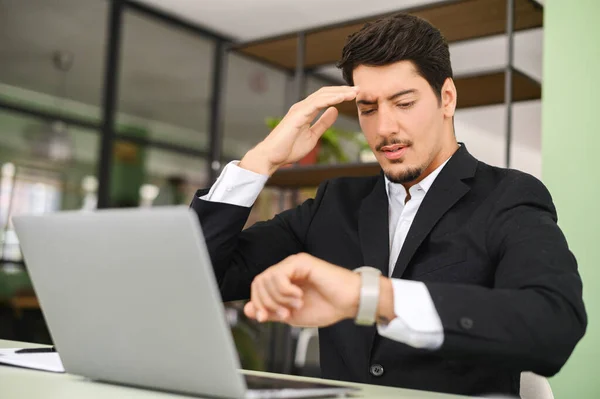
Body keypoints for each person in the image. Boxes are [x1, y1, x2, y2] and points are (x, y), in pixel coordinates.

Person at [190, 13, 586, 397]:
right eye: (368, 109)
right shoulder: (335, 202)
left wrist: (369, 296)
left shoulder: (508, 195)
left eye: (404, 103)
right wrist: (263, 161)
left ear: (446, 98)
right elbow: (202, 274)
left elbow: (553, 323)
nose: (384, 129)